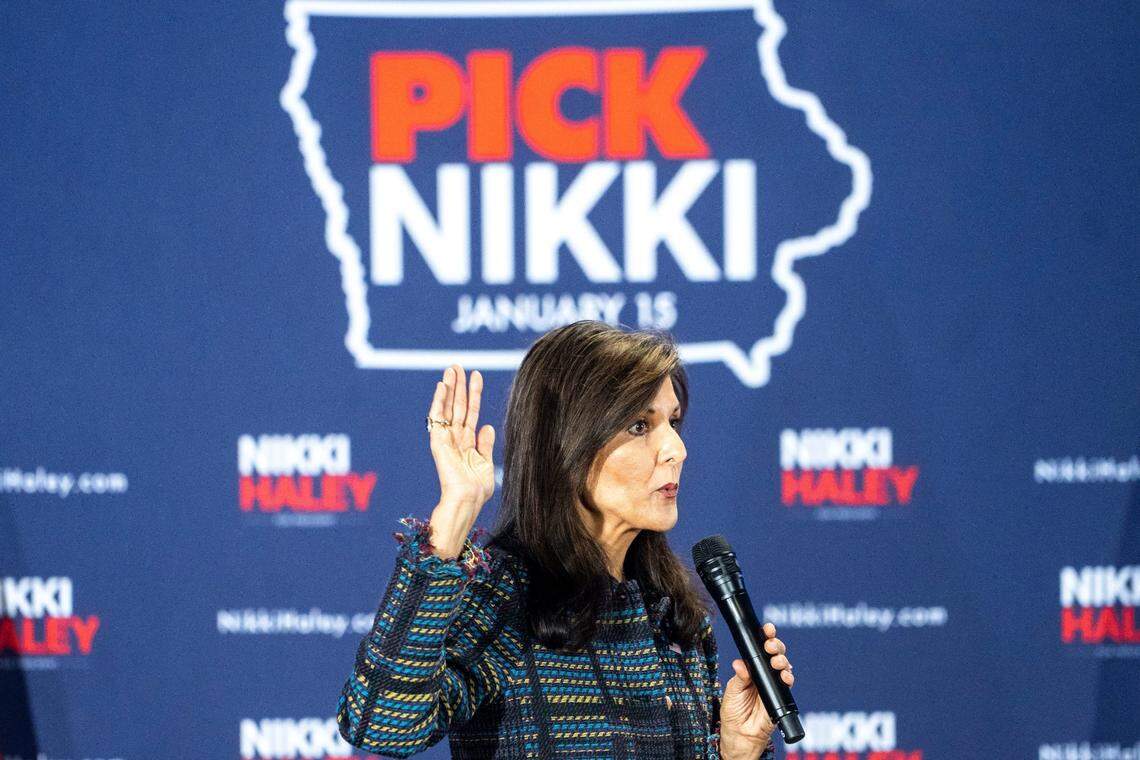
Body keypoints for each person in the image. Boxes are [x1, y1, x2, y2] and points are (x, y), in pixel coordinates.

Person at [336, 320, 795, 759]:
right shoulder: (506, 594)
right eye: (640, 425)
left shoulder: (674, 614)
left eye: (673, 422)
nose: (676, 449)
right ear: (567, 444)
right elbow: (379, 723)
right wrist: (455, 510)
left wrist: (738, 751)